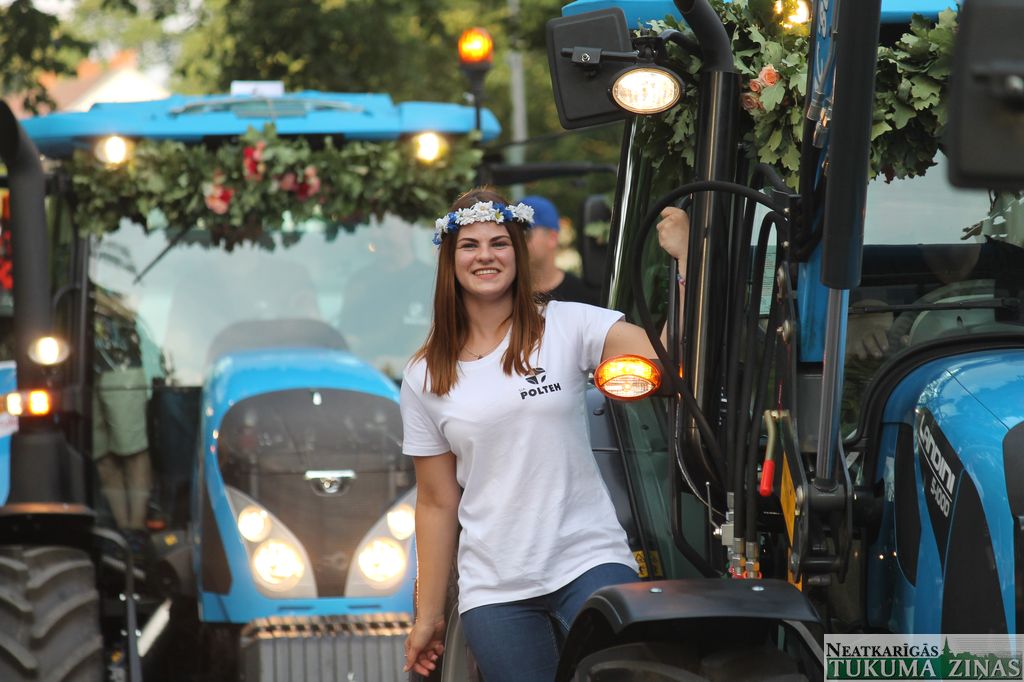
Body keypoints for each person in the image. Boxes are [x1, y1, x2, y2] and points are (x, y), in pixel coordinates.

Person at [400, 188, 689, 682]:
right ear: (449, 260)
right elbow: (435, 503)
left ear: (518, 252)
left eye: (499, 242)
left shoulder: (567, 324)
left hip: (590, 561)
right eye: (470, 245)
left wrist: (686, 265)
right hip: (495, 589)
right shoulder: (424, 375)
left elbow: (667, 360)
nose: (486, 255)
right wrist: (427, 615)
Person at [520, 195, 599, 305]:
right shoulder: (503, 296)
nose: (517, 241)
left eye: (524, 234)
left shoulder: (585, 299)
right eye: (513, 235)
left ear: (552, 237)